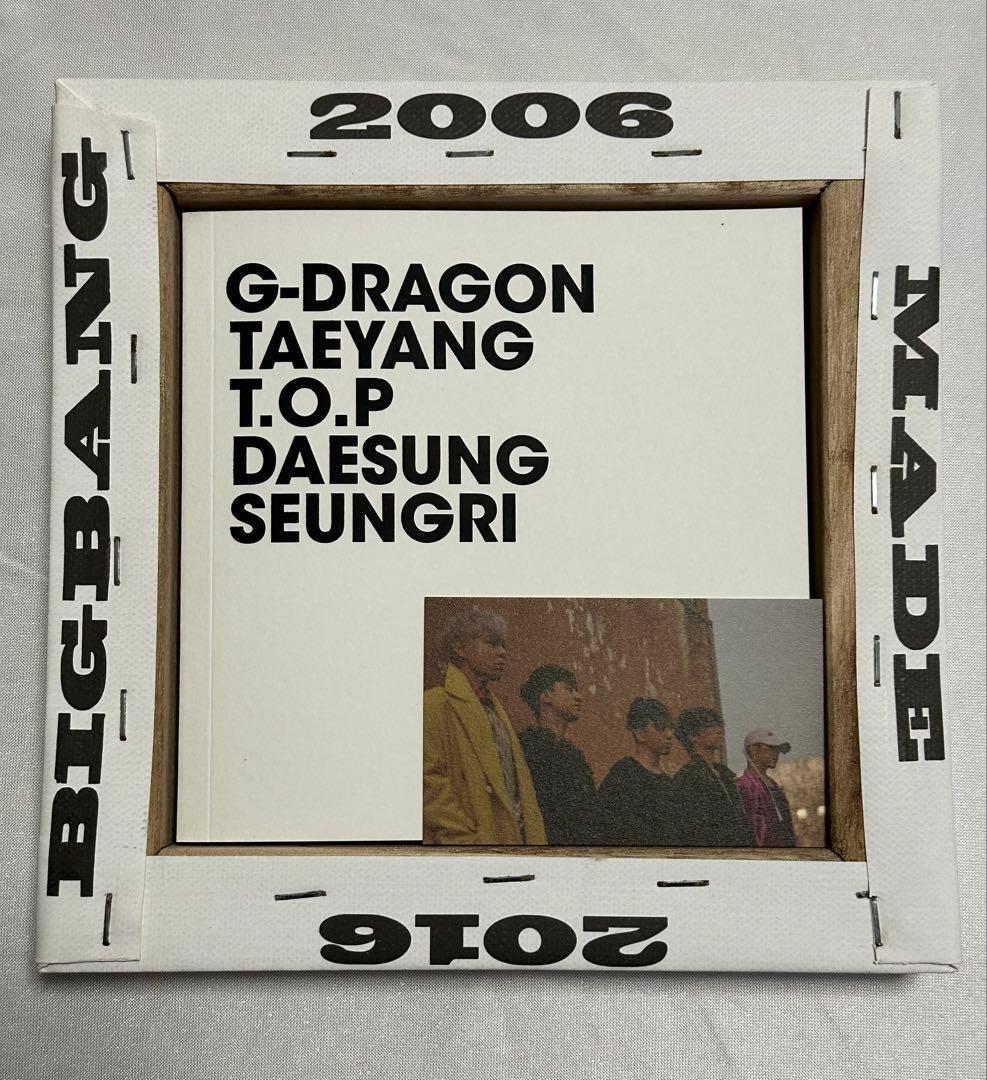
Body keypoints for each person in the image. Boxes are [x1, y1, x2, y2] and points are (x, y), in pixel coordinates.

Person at [423, 608, 547, 846]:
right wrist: (465, 841)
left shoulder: (495, 710)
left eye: (503, 646)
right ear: (461, 649)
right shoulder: (435, 704)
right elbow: (431, 785)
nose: (502, 653)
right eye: (491, 644)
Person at [517, 665, 598, 845]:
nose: (578, 696)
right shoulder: (527, 748)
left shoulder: (573, 754)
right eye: (569, 689)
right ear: (546, 696)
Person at [596, 698, 679, 846]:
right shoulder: (624, 775)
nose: (669, 734)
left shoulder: (667, 780)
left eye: (670, 727)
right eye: (660, 727)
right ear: (640, 734)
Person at [673, 707, 753, 847]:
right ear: (693, 736)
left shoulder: (725, 774)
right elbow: (694, 829)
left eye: (719, 725)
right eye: (710, 725)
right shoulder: (688, 777)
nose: (719, 730)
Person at [735, 728, 798, 847]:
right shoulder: (744, 785)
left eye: (777, 750)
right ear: (753, 750)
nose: (776, 754)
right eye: (771, 748)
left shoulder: (774, 784)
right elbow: (750, 830)